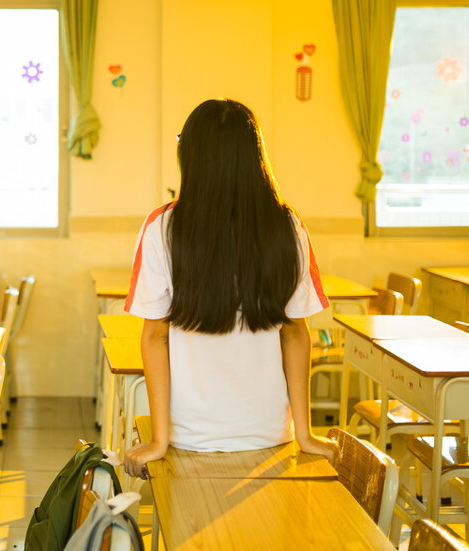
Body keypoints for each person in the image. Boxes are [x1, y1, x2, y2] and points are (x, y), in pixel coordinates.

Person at [121, 98, 337, 480]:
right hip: (270, 433)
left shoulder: (162, 228)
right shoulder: (288, 227)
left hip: (188, 436)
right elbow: (296, 333)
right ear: (254, 157)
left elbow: (155, 337)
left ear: (190, 156)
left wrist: (159, 439)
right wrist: (304, 434)